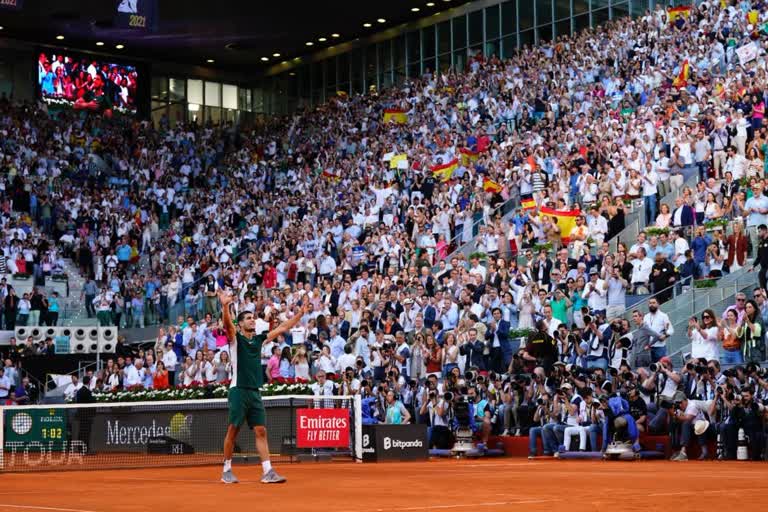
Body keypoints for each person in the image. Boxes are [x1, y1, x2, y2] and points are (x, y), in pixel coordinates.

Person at [218, 288, 310, 484]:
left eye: (253, 317)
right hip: (238, 391)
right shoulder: (235, 340)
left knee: (261, 430)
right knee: (233, 431)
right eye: (248, 318)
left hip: (254, 392)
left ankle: (267, 471)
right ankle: (226, 469)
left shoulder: (259, 340)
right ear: (240, 324)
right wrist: (225, 306)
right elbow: (227, 325)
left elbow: (283, 327)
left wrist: (300, 314)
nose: (252, 320)